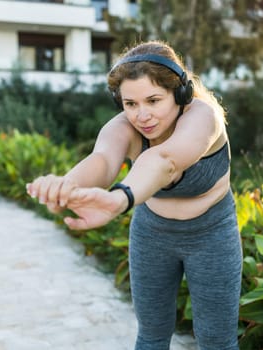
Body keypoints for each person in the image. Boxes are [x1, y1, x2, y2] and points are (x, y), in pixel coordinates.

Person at [26, 40, 242, 350]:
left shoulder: (202, 118)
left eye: (154, 100)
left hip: (211, 235)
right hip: (152, 235)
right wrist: (65, 186)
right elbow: (101, 161)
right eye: (131, 104)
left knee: (216, 342)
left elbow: (165, 161)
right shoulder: (124, 128)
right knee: (151, 336)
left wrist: (119, 198)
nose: (142, 116)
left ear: (180, 93)